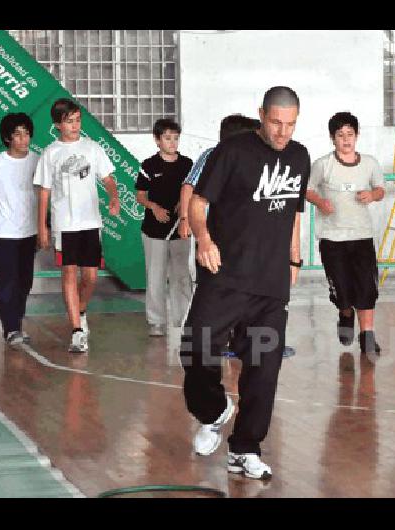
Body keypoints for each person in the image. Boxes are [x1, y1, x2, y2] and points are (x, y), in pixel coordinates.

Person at [181, 86, 310, 481]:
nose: (282, 132)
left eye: (290, 124)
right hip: (225, 275)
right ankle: (213, 410)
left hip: (270, 283)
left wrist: (293, 256)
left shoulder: (299, 156)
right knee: (196, 347)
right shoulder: (232, 152)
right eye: (275, 122)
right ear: (261, 115)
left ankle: (246, 448)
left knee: (263, 369)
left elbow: (293, 211)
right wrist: (204, 240)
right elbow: (198, 203)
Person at [179, 114, 298, 359]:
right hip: (214, 240)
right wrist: (188, 222)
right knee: (216, 290)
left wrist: (293, 254)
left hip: (243, 242)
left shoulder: (259, 159)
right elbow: (189, 188)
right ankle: (210, 342)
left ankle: (245, 340)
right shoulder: (214, 156)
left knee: (248, 291)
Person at [34, 98, 120, 353]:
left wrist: (113, 197)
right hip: (65, 223)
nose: (74, 125)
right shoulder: (51, 153)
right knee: (69, 272)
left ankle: (80, 311)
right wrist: (43, 227)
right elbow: (45, 193)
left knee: (91, 276)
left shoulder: (92, 148)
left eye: (77, 120)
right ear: (58, 124)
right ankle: (76, 331)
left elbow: (108, 178)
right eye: (69, 121)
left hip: (90, 221)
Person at [306, 111, 384, 355]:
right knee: (341, 288)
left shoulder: (370, 163)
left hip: (361, 236)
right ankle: (345, 313)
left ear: (357, 136)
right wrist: (320, 202)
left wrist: (372, 195)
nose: (346, 140)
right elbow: (307, 190)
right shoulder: (322, 165)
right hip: (333, 238)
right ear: (333, 138)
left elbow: (380, 188)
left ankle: (367, 335)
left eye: (350, 134)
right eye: (341, 135)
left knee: (366, 288)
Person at [0, 112, 39, 345]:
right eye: (18, 135)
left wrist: (43, 227)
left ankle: (17, 323)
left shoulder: (36, 160)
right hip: (3, 232)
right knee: (6, 281)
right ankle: (10, 327)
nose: (24, 139)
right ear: (7, 138)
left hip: (29, 232)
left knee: (25, 281)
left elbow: (44, 194)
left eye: (27, 134)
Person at [135, 118, 194, 337]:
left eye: (175, 138)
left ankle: (184, 318)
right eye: (167, 138)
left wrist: (183, 205)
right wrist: (154, 208)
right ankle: (156, 321)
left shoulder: (188, 164)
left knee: (180, 275)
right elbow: (140, 195)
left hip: (181, 229)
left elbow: (193, 190)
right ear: (157, 140)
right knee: (156, 275)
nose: (172, 143)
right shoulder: (149, 165)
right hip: (153, 231)